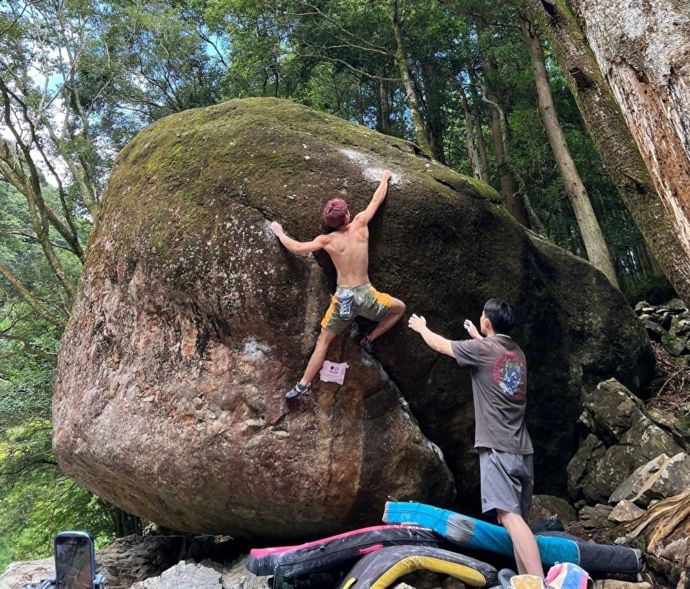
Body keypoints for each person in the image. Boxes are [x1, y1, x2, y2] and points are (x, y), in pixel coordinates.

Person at [407, 299, 543, 578]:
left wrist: (422, 328)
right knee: (517, 521)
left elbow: (441, 345)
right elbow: (494, 361)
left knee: (509, 517)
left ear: (487, 322)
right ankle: (525, 581)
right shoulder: (517, 353)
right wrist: (477, 337)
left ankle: (539, 582)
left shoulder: (482, 350)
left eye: (482, 315)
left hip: (497, 445)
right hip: (521, 447)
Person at [271, 170, 406, 400]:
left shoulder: (327, 240)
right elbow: (377, 199)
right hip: (367, 297)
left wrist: (279, 232)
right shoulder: (361, 224)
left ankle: (303, 385)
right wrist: (384, 178)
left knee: (324, 340)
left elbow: (296, 248)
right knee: (399, 308)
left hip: (343, 300)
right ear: (347, 215)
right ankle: (369, 339)